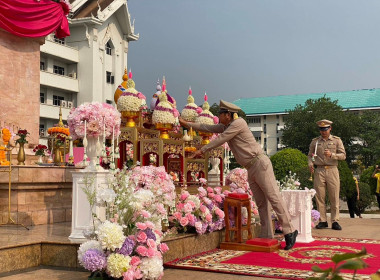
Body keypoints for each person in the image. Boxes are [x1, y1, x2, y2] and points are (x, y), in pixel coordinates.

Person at [179, 100, 298, 250]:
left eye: (220, 114)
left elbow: (221, 139)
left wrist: (202, 150)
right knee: (261, 202)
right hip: (251, 167)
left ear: (228, 115)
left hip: (260, 164)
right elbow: (206, 127)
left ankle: (290, 231)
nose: (218, 117)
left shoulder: (238, 123)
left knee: (273, 197)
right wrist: (187, 123)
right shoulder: (227, 126)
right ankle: (267, 234)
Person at [308, 119, 346, 230]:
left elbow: (343, 155)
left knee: (334, 196)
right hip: (319, 170)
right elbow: (310, 155)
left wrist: (332, 155)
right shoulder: (315, 142)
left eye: (325, 129)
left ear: (330, 128)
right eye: (321, 129)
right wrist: (310, 163)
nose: (323, 131)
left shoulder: (336, 140)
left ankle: (335, 221)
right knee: (320, 197)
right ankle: (323, 220)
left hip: (332, 170)